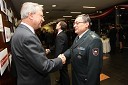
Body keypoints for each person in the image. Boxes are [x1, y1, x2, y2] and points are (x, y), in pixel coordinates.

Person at [11, 2, 66, 85]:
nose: (43, 19)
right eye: (41, 15)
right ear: (31, 15)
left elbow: (29, 56)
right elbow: (44, 66)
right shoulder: (27, 36)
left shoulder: (20, 32)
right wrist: (60, 60)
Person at [62, 14, 103, 85]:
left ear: (86, 24)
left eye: (77, 23)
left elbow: (94, 69)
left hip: (85, 81)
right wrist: (63, 55)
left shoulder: (94, 40)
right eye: (74, 23)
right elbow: (72, 49)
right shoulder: (79, 36)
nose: (74, 25)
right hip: (76, 77)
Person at [46, 21, 70, 85]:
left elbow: (59, 49)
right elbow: (56, 45)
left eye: (58, 24)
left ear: (60, 26)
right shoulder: (61, 34)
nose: (56, 25)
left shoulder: (60, 35)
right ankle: (61, 81)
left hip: (62, 57)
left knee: (64, 72)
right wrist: (50, 50)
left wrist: (56, 59)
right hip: (63, 56)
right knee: (62, 71)